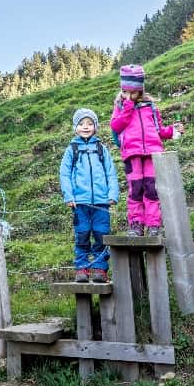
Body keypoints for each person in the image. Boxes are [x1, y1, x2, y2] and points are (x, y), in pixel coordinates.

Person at [110, 64, 184, 237]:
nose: (129, 95)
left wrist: (173, 131)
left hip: (152, 153)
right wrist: (127, 107)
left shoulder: (150, 106)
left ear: (140, 90)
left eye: (133, 92)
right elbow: (116, 125)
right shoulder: (120, 107)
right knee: (135, 189)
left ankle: (153, 225)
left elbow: (158, 130)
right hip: (132, 154)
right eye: (125, 92)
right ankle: (136, 225)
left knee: (152, 188)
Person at [60, 108, 119, 283]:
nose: (85, 127)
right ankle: (82, 268)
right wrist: (69, 197)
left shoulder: (101, 148)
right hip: (80, 203)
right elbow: (64, 174)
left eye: (90, 124)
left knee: (102, 234)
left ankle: (100, 269)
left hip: (102, 203)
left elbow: (111, 173)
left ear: (95, 127)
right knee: (82, 235)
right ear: (75, 127)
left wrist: (112, 194)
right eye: (81, 124)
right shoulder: (72, 149)